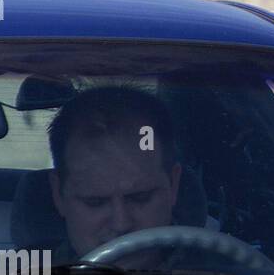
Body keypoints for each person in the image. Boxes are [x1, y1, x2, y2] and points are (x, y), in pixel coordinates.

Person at [47, 86, 182, 264]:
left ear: (173, 185)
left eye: (141, 197)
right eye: (95, 202)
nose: (121, 224)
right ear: (58, 194)